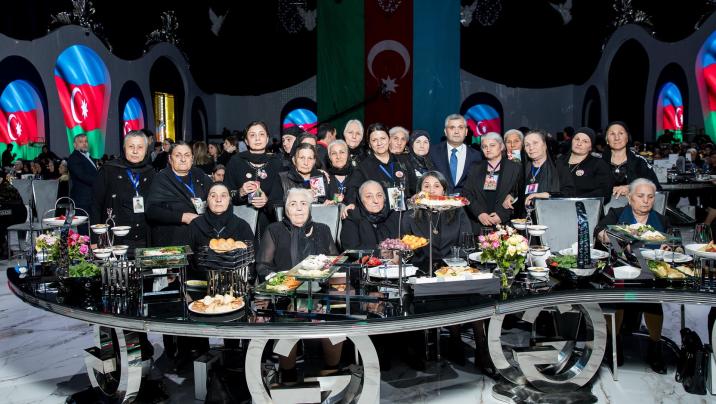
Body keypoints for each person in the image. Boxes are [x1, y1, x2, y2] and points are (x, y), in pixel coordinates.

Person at [594, 178, 669, 374]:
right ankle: (614, 343)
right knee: (618, 295)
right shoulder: (617, 213)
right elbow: (599, 232)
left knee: (652, 298)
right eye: (641, 196)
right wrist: (617, 236)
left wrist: (670, 248)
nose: (646, 201)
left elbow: (674, 244)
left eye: (650, 197)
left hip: (650, 270)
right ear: (630, 198)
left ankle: (655, 347)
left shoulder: (661, 220)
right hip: (620, 267)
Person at [91, 131, 155, 253]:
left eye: (140, 147)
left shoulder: (151, 172)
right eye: (131, 146)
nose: (135, 151)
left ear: (146, 150)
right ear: (124, 148)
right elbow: (96, 205)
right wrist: (95, 239)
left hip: (145, 238)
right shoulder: (109, 170)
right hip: (116, 238)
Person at [224, 121, 283, 241]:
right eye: (252, 135)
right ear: (246, 141)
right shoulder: (235, 162)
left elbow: (283, 197)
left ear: (267, 139)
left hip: (271, 224)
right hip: (241, 223)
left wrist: (268, 201)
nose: (257, 138)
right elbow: (225, 194)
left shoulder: (277, 163)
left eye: (261, 134)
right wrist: (240, 192)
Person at [403, 171, 471, 273]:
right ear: (420, 191)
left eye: (437, 186)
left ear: (444, 190)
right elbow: (406, 247)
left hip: (453, 269)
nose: (431, 190)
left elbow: (466, 244)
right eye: (426, 186)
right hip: (420, 270)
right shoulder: (410, 215)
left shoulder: (458, 211)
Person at [146, 142, 210, 247]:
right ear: (170, 159)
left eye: (187, 155)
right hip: (172, 241)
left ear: (192, 158)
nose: (183, 159)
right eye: (178, 155)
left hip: (200, 238)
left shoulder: (199, 175)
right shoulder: (161, 179)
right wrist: (183, 217)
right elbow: (152, 211)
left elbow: (214, 195)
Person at [345, 123, 417, 205]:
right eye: (374, 140)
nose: (379, 143)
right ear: (370, 144)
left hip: (406, 211)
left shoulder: (403, 161)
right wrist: (351, 204)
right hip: (380, 212)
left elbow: (415, 188)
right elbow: (351, 192)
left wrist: (415, 197)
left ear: (389, 139)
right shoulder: (363, 168)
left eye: (383, 138)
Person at [463, 133, 522, 233]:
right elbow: (466, 193)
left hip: (505, 226)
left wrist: (502, 215)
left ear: (501, 146)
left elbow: (518, 193)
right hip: (478, 225)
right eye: (484, 146)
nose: (488, 149)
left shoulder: (515, 168)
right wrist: (479, 213)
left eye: (492, 145)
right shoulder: (475, 168)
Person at [188, 182, 253, 256]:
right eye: (213, 196)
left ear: (229, 200)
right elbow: (185, 257)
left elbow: (251, 257)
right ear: (207, 200)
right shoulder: (195, 225)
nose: (218, 200)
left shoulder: (242, 226)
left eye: (223, 195)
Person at [515, 129, 575, 208]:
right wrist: (511, 196)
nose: (531, 147)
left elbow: (570, 193)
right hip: (526, 214)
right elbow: (516, 191)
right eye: (527, 145)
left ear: (545, 145)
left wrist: (547, 195)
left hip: (551, 212)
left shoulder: (559, 167)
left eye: (535, 143)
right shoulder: (522, 169)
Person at [602, 121, 661, 199]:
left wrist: (633, 188)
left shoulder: (639, 161)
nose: (617, 138)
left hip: (634, 205)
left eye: (621, 133)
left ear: (627, 138)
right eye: (612, 134)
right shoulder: (598, 163)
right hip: (605, 206)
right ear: (606, 140)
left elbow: (656, 188)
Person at [430, 114, 482, 195]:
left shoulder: (476, 156)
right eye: (452, 128)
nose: (456, 132)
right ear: (445, 132)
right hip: (438, 200)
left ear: (466, 132)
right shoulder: (433, 152)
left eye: (460, 127)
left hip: (466, 201)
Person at [340, 180, 400, 250]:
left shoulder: (392, 216)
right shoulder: (353, 218)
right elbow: (352, 249)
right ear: (360, 199)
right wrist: (382, 252)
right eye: (369, 196)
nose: (376, 201)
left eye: (379, 195)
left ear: (384, 198)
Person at [557, 127, 611, 200]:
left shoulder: (598, 164)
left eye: (585, 141)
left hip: (587, 205)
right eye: (577, 139)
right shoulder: (560, 161)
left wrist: (577, 200)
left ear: (590, 147)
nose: (579, 143)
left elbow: (604, 192)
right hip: (558, 204)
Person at [67, 134, 98, 224]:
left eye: (86, 141)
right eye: (81, 142)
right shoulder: (74, 158)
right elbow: (82, 176)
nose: (84, 144)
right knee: (84, 227)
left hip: (92, 198)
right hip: (82, 199)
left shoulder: (89, 157)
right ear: (74, 145)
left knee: (93, 225)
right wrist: (100, 181)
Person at [324, 140, 352, 204]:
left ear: (347, 155)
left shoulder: (357, 175)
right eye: (334, 153)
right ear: (329, 157)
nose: (338, 157)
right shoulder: (324, 177)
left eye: (342, 152)